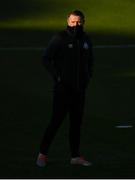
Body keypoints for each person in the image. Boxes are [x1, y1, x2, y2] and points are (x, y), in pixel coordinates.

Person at [36, 10, 94, 167]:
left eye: (79, 22)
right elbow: (46, 58)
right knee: (55, 122)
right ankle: (42, 155)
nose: (76, 25)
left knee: (76, 124)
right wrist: (58, 77)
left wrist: (88, 77)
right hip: (63, 90)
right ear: (68, 22)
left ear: (83, 22)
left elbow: (90, 61)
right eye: (73, 22)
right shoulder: (59, 38)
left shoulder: (86, 40)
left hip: (79, 90)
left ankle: (75, 157)